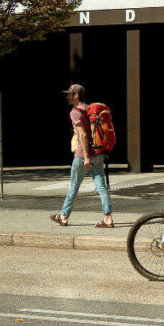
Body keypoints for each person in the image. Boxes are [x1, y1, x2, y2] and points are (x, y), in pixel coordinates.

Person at [49, 84, 114, 228]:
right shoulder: (91, 110)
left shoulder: (75, 112)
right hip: (98, 154)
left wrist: (85, 157)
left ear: (77, 95)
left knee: (73, 186)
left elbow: (83, 135)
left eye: (70, 94)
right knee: (101, 186)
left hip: (82, 156)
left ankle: (64, 217)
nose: (68, 97)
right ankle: (108, 218)